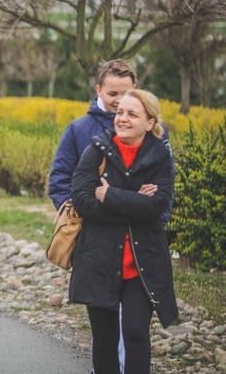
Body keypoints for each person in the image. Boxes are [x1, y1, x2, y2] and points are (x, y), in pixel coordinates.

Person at [69, 89, 177, 374]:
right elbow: (83, 201)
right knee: (105, 340)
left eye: (132, 114)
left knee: (136, 332)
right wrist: (135, 201)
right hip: (99, 259)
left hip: (143, 264)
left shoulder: (160, 156)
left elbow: (157, 206)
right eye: (120, 113)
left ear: (150, 122)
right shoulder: (96, 151)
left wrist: (111, 195)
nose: (123, 119)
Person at [49, 59, 138, 211]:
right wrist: (75, 217)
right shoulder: (77, 130)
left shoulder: (152, 129)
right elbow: (60, 180)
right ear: (99, 90)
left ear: (135, 89)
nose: (120, 100)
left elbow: (165, 184)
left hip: (138, 228)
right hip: (89, 226)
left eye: (126, 93)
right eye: (112, 94)